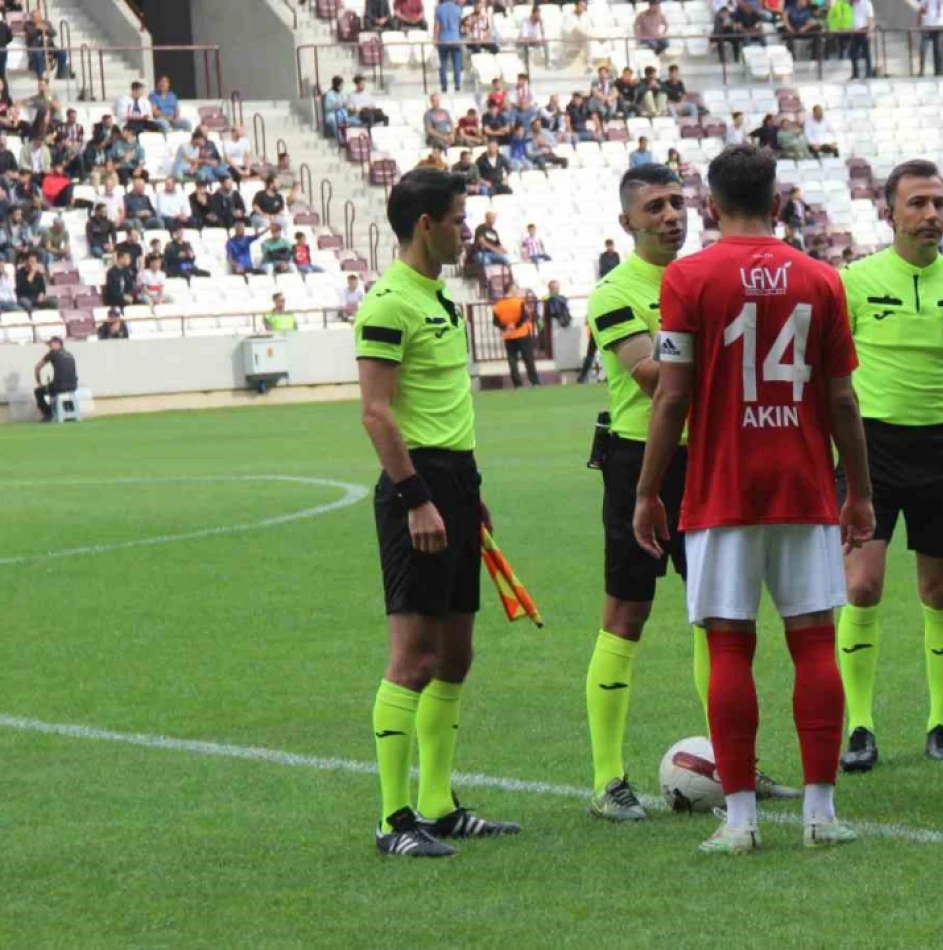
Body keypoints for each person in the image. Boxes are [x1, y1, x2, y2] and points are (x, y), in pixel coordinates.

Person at [630, 145, 872, 853]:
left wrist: (648, 491)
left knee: (730, 646)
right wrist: (856, 490)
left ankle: (739, 824)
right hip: (802, 484)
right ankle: (821, 816)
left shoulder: (689, 276)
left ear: (710, 203)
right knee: (815, 641)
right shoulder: (821, 279)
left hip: (721, 487)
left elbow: (671, 393)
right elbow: (843, 399)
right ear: (778, 200)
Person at [354, 167, 521, 859]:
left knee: (456, 656)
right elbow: (376, 411)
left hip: (453, 484)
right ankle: (394, 820)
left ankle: (439, 805)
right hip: (416, 489)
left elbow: (446, 408)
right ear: (425, 224)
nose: (467, 230)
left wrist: (467, 491)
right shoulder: (389, 302)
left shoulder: (440, 300)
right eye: (457, 218)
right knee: (414, 659)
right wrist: (417, 496)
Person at [833, 160, 943, 771]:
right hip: (871, 450)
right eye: (917, 203)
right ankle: (860, 725)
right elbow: (829, 372)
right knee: (862, 585)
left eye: (939, 203)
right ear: (889, 212)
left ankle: (941, 723)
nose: (931, 215)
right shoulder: (854, 281)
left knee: (939, 592)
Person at [493, 289, 540, 387]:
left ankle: (517, 384)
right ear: (512, 291)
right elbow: (524, 317)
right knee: (528, 358)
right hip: (522, 333)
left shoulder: (498, 305)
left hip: (508, 335)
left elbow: (495, 321)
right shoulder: (519, 302)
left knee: (512, 360)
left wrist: (506, 327)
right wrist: (515, 326)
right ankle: (534, 381)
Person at [33, 336, 77, 421]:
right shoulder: (69, 354)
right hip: (73, 386)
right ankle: (69, 411)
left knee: (38, 391)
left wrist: (39, 382)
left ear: (58, 344)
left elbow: (37, 367)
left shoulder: (52, 353)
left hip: (59, 386)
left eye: (51, 345)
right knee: (60, 391)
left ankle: (48, 415)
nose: (49, 347)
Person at [435, 0, 468, 93]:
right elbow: (461, 24)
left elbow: (437, 25)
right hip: (455, 38)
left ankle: (444, 86)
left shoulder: (439, 9)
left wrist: (435, 38)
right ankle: (457, 84)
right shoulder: (458, 9)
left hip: (443, 39)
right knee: (457, 64)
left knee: (443, 64)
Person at [918, 0, 943, 75]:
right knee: (923, 48)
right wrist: (920, 23)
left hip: (939, 26)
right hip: (927, 26)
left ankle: (938, 71)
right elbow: (922, 10)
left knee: (938, 50)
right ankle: (922, 70)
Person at [850, 0, 875, 79]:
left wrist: (870, 32)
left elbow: (870, 18)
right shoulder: (852, 4)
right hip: (854, 31)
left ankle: (869, 73)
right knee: (852, 53)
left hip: (864, 30)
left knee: (866, 53)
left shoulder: (866, 3)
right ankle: (855, 73)